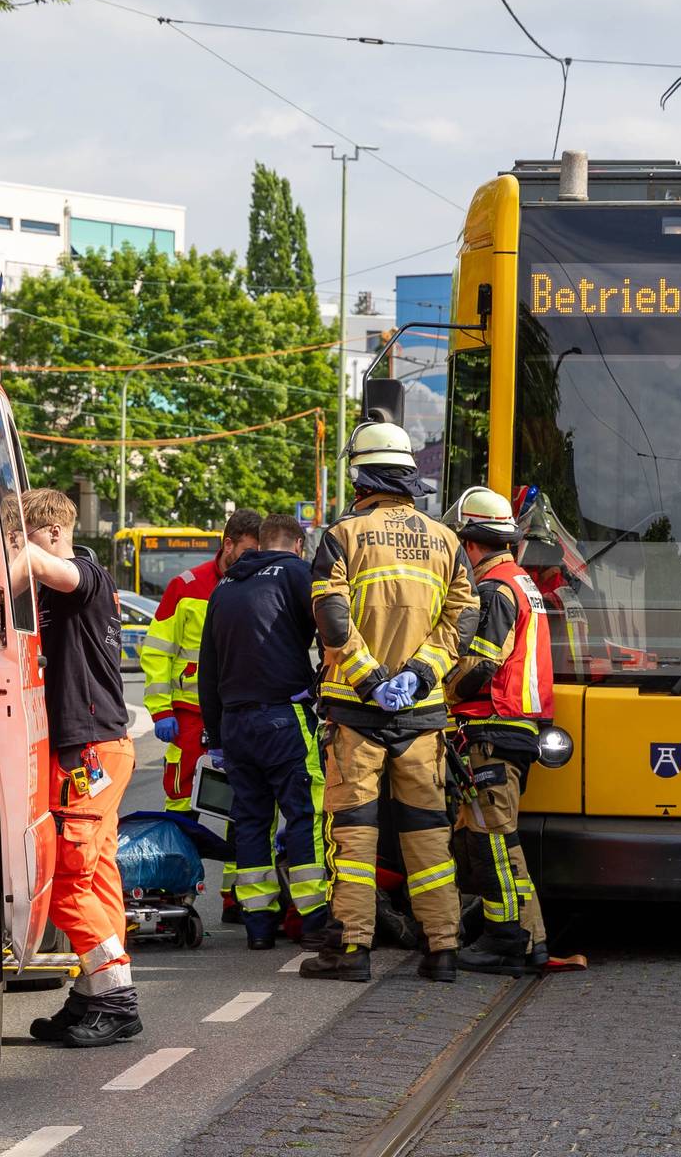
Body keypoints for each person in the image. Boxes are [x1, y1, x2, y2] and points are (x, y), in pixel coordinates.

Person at [301, 421, 478, 983]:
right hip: (423, 717)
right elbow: (463, 619)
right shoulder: (446, 540)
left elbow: (331, 617)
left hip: (357, 713)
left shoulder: (342, 534)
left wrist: (368, 677)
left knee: (353, 834)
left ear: (361, 477)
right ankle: (443, 948)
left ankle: (350, 951)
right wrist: (421, 675)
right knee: (427, 831)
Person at [8, 488, 141, 1048]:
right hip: (99, 748)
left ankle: (113, 998)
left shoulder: (83, 575)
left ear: (56, 534)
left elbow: (43, 566)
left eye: (31, 540)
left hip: (88, 753)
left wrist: (9, 554)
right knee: (98, 879)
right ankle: (92, 994)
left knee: (67, 882)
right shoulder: (78, 588)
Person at [195, 510, 324, 950]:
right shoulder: (296, 574)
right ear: (298, 544)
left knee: (250, 821)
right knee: (306, 813)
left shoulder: (224, 588)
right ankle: (313, 919)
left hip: (235, 724)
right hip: (283, 718)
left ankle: (258, 925)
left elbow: (207, 672)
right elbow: (333, 631)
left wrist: (215, 734)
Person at [441, 488, 554, 975]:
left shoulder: (494, 590)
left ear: (470, 545)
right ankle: (532, 939)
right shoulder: (521, 581)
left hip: (491, 727)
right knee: (499, 839)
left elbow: (480, 664)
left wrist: (437, 692)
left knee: (488, 838)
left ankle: (505, 938)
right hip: (510, 728)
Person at [142, 509, 262, 815]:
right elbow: (157, 650)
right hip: (190, 710)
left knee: (244, 796)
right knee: (182, 790)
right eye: (248, 551)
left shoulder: (262, 583)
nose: (253, 559)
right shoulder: (185, 586)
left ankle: (239, 861)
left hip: (241, 710)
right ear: (228, 544)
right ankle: (182, 854)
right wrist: (160, 710)